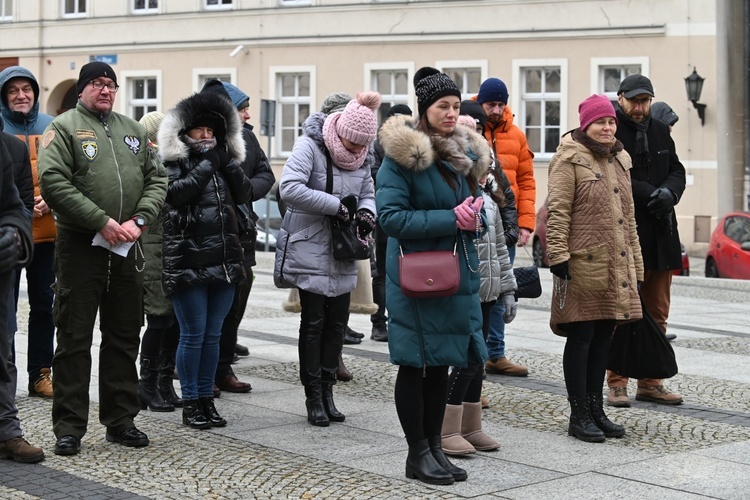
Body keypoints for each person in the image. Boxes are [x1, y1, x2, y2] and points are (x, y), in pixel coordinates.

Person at [37, 62, 167, 455]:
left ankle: (121, 420)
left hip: (128, 247)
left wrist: (140, 220)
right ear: (82, 90)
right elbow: (53, 180)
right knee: (74, 337)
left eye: (111, 84)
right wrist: (101, 221)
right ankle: (70, 427)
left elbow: (157, 178)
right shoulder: (63, 127)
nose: (106, 90)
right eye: (97, 83)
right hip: (81, 246)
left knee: (124, 335)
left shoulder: (131, 129)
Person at [376, 67, 489, 485]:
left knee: (441, 364)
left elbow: (467, 209)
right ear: (425, 109)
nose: (451, 113)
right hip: (416, 278)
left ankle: (435, 448)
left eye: (456, 107)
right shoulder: (401, 158)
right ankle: (416, 454)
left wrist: (475, 216)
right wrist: (450, 218)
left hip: (451, 274)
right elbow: (390, 218)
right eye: (443, 106)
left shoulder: (457, 157)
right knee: (415, 365)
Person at [274, 92, 378, 427]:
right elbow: (288, 188)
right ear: (339, 129)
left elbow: (368, 193)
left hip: (344, 249)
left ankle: (330, 390)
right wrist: (335, 205)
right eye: (351, 143)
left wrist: (365, 213)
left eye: (361, 146)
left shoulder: (362, 155)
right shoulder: (310, 146)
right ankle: (313, 395)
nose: (354, 151)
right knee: (314, 322)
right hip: (310, 246)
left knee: (337, 325)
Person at [547, 94, 644, 442]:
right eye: (600, 122)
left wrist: (636, 264)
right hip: (581, 262)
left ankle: (596, 410)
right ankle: (579, 415)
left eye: (611, 122)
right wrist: (557, 256)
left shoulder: (620, 159)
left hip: (614, 263)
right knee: (581, 336)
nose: (607, 127)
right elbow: (558, 210)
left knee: (604, 335)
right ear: (586, 124)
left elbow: (628, 218)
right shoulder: (569, 158)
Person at [158, 90, 253, 429]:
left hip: (224, 259)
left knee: (213, 335)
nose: (206, 136)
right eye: (200, 130)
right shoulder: (172, 161)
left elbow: (245, 193)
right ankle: (192, 402)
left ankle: (207, 401)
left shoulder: (222, 161)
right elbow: (174, 195)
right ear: (185, 132)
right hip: (188, 260)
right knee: (193, 334)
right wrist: (206, 165)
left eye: (212, 131)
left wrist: (225, 161)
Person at [607, 75, 686, 407]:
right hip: (628, 233)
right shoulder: (612, 131)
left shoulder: (658, 129)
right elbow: (618, 175)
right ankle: (616, 382)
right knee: (623, 312)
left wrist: (669, 192)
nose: (639, 108)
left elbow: (677, 169)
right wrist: (650, 193)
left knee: (657, 312)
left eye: (645, 101)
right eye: (634, 101)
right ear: (621, 99)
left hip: (662, 232)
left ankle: (651, 382)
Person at [440, 115, 517, 456]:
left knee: (479, 358)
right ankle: (446, 428)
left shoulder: (489, 201)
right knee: (466, 359)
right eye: (481, 168)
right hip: (464, 291)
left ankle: (472, 426)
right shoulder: (457, 199)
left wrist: (509, 288)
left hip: (488, 294)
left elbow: (501, 249)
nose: (487, 174)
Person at [200, 79, 275, 395]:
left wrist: (243, 192)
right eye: (241, 109)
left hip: (241, 234)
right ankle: (196, 371)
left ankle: (222, 367)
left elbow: (266, 175)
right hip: (206, 235)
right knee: (202, 309)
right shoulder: (201, 137)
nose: (247, 115)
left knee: (234, 305)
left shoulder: (248, 139)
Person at [0, 66, 56, 398]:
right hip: (10, 236)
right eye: (13, 90)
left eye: (27, 90)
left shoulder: (51, 126)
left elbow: (68, 171)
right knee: (5, 310)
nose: (21, 96)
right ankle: (6, 373)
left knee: (45, 306)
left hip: (47, 233)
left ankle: (41, 374)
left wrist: (51, 199)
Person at [474, 78, 535, 377]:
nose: (496, 110)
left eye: (501, 104)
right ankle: (477, 357)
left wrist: (526, 223)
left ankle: (496, 353)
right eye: (491, 104)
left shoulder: (517, 135)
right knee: (481, 293)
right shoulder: (471, 128)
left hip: (507, 225)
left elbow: (526, 181)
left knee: (502, 291)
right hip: (478, 224)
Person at [0, 116, 42, 463]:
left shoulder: (7, 147)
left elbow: (16, 207)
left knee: (2, 352)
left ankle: (7, 432)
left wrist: (14, 235)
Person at [136, 111, 182, 413]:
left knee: (175, 320)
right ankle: (147, 384)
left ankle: (165, 382)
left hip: (174, 249)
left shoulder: (176, 162)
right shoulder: (144, 166)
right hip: (153, 250)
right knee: (159, 319)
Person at [370, 103, 413, 343]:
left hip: (407, 214)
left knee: (408, 268)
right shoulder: (378, 144)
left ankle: (402, 321)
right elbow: (375, 173)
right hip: (383, 214)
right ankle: (379, 322)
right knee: (383, 273)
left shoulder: (415, 143)